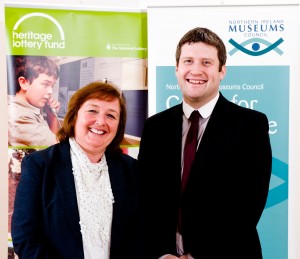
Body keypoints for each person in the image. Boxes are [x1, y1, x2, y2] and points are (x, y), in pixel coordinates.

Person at [138, 27, 272, 259]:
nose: (196, 70)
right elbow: (146, 198)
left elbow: (248, 205)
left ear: (222, 71)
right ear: (177, 69)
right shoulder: (155, 127)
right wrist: (161, 252)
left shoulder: (250, 125)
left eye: (206, 62)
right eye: (188, 61)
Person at [11, 81, 143, 259]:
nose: (101, 121)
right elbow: (25, 238)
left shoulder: (130, 169)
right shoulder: (39, 165)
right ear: (74, 115)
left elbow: (138, 236)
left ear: (119, 126)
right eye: (92, 111)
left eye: (111, 115)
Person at [8, 55, 61, 147]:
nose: (50, 92)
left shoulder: (29, 108)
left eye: (52, 86)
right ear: (24, 83)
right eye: (45, 84)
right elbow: (56, 150)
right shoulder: (19, 118)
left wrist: (52, 116)